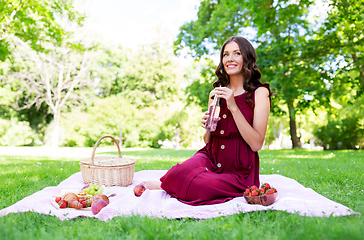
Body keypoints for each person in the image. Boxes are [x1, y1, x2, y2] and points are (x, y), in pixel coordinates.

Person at [142, 36, 272, 206]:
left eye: (237, 53)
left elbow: (256, 144)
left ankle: (171, 186)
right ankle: (172, 183)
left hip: (240, 168)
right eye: (225, 54)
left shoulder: (259, 93)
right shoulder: (216, 93)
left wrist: (233, 107)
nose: (230, 59)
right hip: (211, 156)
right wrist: (208, 127)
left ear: (246, 58)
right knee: (178, 171)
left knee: (202, 185)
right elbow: (207, 140)